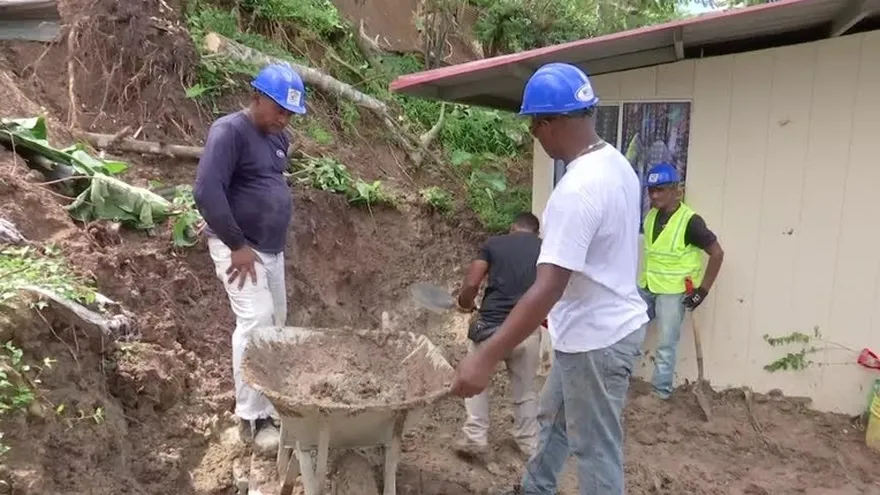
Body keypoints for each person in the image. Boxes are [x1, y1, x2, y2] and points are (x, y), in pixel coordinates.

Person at [451, 62, 648, 495]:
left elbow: (547, 288)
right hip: (590, 332)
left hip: (598, 339)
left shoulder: (576, 191)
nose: (534, 137)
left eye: (533, 127)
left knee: (595, 449)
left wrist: (485, 356)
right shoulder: (615, 164)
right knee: (553, 422)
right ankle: (535, 488)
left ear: (549, 123)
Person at [193, 63, 307, 453]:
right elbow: (207, 190)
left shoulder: (279, 139)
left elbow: (259, 185)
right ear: (256, 96)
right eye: (279, 109)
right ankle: (250, 418)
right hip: (240, 248)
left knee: (275, 324)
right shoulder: (229, 132)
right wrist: (235, 243)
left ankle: (269, 404)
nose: (284, 118)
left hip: (268, 250)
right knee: (255, 323)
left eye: (290, 112)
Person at [453, 212, 543, 459]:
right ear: (536, 232)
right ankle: (527, 442)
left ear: (513, 228)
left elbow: (472, 283)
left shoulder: (495, 244)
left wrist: (464, 303)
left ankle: (475, 436)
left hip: (491, 328)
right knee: (525, 390)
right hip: (527, 330)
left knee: (477, 381)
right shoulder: (545, 249)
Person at [636, 162, 724, 401]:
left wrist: (702, 291)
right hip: (647, 286)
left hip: (673, 293)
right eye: (651, 190)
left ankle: (660, 394)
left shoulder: (691, 222)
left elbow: (717, 253)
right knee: (627, 332)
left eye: (661, 189)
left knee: (666, 344)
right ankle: (617, 382)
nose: (655, 195)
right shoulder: (651, 216)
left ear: (677, 190)